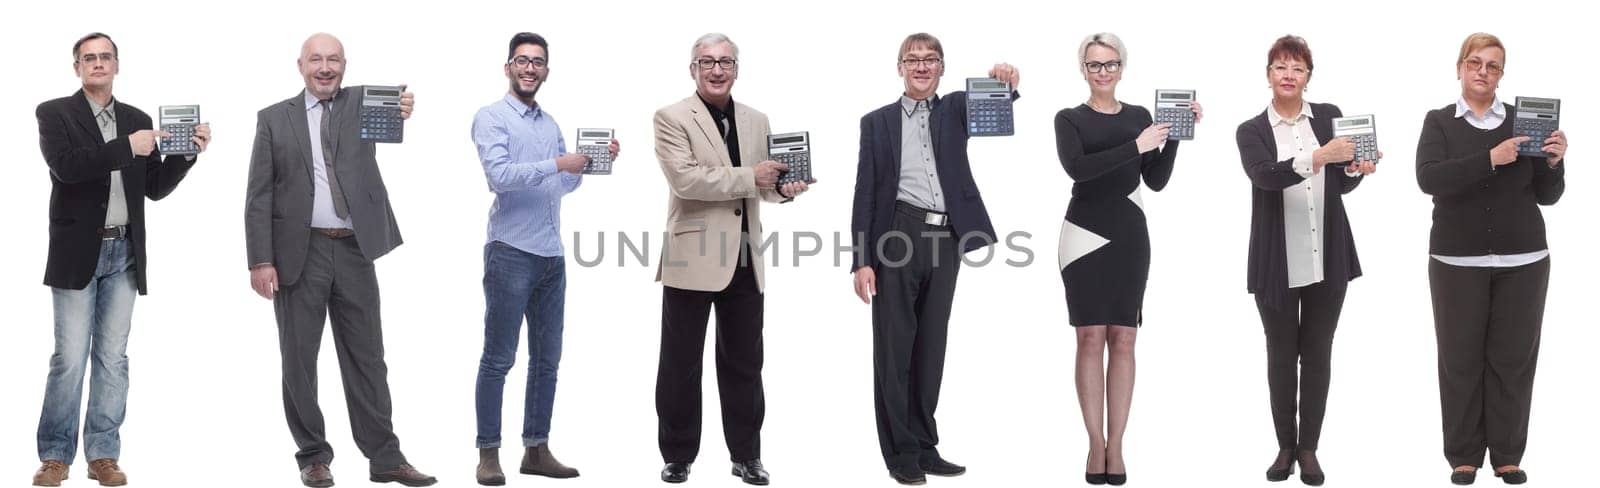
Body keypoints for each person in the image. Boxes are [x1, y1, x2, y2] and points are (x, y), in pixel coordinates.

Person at [243, 32, 435, 488]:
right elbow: (258, 194)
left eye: (333, 60)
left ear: (345, 66)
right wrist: (260, 260)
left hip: (353, 247)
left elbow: (397, 110)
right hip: (298, 253)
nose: (325, 67)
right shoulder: (273, 119)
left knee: (368, 357)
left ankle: (385, 457)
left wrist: (403, 108)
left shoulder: (362, 103)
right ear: (300, 65)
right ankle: (313, 456)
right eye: (316, 60)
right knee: (299, 360)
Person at [32, 31, 210, 488]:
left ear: (116, 64)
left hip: (125, 252)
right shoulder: (55, 113)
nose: (97, 63)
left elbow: (153, 187)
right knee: (69, 358)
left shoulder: (137, 118)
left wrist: (186, 152)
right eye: (88, 58)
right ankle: (55, 457)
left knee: (113, 358)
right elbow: (67, 168)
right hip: (77, 252)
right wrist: (129, 147)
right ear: (77, 68)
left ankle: (103, 455)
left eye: (104, 56)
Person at [849, 32, 1018, 485]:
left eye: (931, 60)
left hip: (947, 237)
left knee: (931, 346)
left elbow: (998, 106)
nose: (921, 66)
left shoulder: (956, 110)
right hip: (897, 233)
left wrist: (1004, 81)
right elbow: (865, 191)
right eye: (912, 59)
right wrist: (862, 259)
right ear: (899, 67)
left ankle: (925, 445)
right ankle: (900, 451)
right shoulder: (876, 122)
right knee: (894, 344)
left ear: (942, 68)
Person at [651, 32, 811, 486]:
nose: (717, 69)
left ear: (737, 69)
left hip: (745, 257)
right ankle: (678, 455)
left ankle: (747, 455)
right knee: (681, 363)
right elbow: (686, 180)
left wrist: (783, 189)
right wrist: (752, 176)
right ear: (693, 70)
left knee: (745, 364)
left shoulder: (757, 119)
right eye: (707, 62)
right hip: (693, 254)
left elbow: (760, 187)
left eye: (725, 62)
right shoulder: (671, 117)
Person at [1415, 32, 1568, 487]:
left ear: (1502, 74)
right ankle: (1464, 456)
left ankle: (1506, 455)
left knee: (1512, 361)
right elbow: (1428, 179)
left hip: (1525, 259)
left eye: (1493, 66)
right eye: (1475, 63)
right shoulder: (1439, 122)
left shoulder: (1525, 119)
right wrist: (1491, 158)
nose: (1483, 72)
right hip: (1456, 262)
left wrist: (1555, 163)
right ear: (1460, 67)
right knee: (1460, 360)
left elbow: (1548, 195)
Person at [469, 31, 619, 486]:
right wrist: (559, 164)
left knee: (547, 360)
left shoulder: (550, 124)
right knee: (499, 358)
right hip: (510, 253)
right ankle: (488, 454)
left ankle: (536, 448)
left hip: (552, 257)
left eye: (537, 62)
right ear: (508, 67)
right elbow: (500, 177)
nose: (529, 68)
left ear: (546, 71)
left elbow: (559, 188)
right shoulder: (491, 118)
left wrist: (589, 164)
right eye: (522, 60)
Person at [1053, 32, 1200, 486]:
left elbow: (1154, 181)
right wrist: (1136, 146)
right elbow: (1078, 169)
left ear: (1122, 68)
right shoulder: (1069, 119)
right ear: (1083, 69)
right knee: (1089, 339)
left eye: (1111, 64)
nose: (1103, 72)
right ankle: (1094, 442)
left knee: (1124, 339)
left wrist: (1172, 137)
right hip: (1082, 235)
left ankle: (1116, 445)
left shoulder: (1140, 116)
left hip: (1129, 234)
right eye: (1095, 65)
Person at [1234, 34, 1377, 487]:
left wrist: (1355, 170)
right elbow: (1264, 177)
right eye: (1280, 68)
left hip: (1327, 257)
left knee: (1317, 356)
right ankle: (1284, 447)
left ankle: (1310, 449)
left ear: (1309, 76)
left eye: (1297, 68)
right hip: (1277, 261)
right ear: (1268, 76)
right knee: (1281, 356)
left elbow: (1339, 184)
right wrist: (1317, 157)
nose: (1289, 76)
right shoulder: (1252, 130)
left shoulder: (1331, 118)